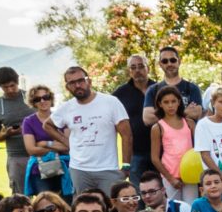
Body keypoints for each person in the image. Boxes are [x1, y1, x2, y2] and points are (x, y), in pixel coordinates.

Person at [55, 66, 131, 198]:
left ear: (89, 81)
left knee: (111, 206)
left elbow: (127, 135)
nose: (77, 85)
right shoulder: (67, 108)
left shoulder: (110, 102)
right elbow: (48, 125)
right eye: (72, 83)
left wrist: (126, 165)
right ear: (67, 87)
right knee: (84, 206)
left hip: (108, 168)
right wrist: (66, 142)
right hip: (79, 170)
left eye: (81, 80)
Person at [0, 67, 35, 196]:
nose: (10, 90)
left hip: (40, 153)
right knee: (21, 196)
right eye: (5, 87)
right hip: (16, 156)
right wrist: (6, 134)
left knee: (47, 193)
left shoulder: (32, 97)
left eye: (12, 86)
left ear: (18, 82)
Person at [149, 84, 198, 202]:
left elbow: (199, 149)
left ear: (179, 102)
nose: (170, 105)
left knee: (191, 207)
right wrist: (170, 178)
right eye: (166, 102)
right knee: (176, 208)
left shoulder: (189, 123)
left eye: (173, 101)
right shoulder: (158, 127)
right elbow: (155, 158)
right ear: (160, 104)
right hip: (170, 174)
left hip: (190, 173)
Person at [111, 54, 154, 184]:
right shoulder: (120, 94)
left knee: (162, 189)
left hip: (160, 150)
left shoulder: (158, 88)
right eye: (133, 67)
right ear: (129, 71)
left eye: (141, 66)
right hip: (135, 152)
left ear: (148, 68)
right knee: (137, 190)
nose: (137, 70)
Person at [21, 85, 70, 196]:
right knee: (45, 203)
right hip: (39, 169)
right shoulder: (28, 121)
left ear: (51, 98)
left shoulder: (62, 118)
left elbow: (68, 147)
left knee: (67, 203)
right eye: (37, 99)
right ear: (33, 102)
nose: (42, 101)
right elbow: (31, 150)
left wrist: (45, 143)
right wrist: (57, 146)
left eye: (46, 97)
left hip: (65, 168)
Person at [143, 45, 205, 128]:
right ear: (160, 64)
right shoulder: (153, 90)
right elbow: (148, 119)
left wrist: (162, 114)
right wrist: (184, 113)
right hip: (162, 136)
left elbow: (196, 113)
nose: (169, 64)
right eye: (165, 61)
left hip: (187, 135)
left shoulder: (192, 88)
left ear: (179, 61)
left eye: (173, 60)